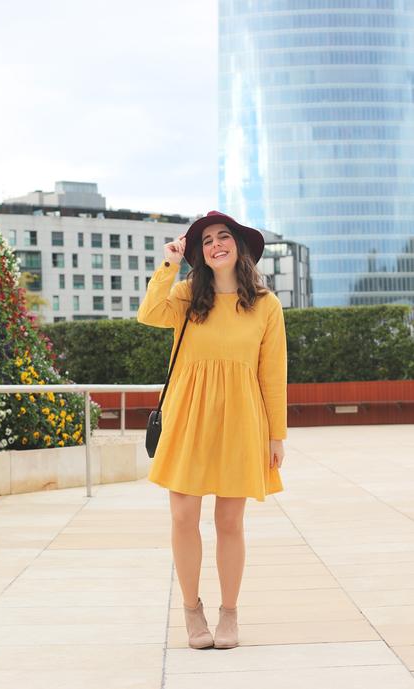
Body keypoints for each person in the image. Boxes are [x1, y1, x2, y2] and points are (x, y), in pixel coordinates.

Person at [136, 210, 287, 650]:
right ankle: (191, 609)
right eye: (206, 241)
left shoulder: (266, 305)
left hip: (241, 419)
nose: (216, 244)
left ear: (239, 246)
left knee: (229, 521)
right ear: (199, 253)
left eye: (224, 237)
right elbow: (148, 314)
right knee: (183, 516)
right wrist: (169, 263)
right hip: (187, 417)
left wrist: (277, 435)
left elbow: (272, 375)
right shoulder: (185, 294)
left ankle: (230, 613)